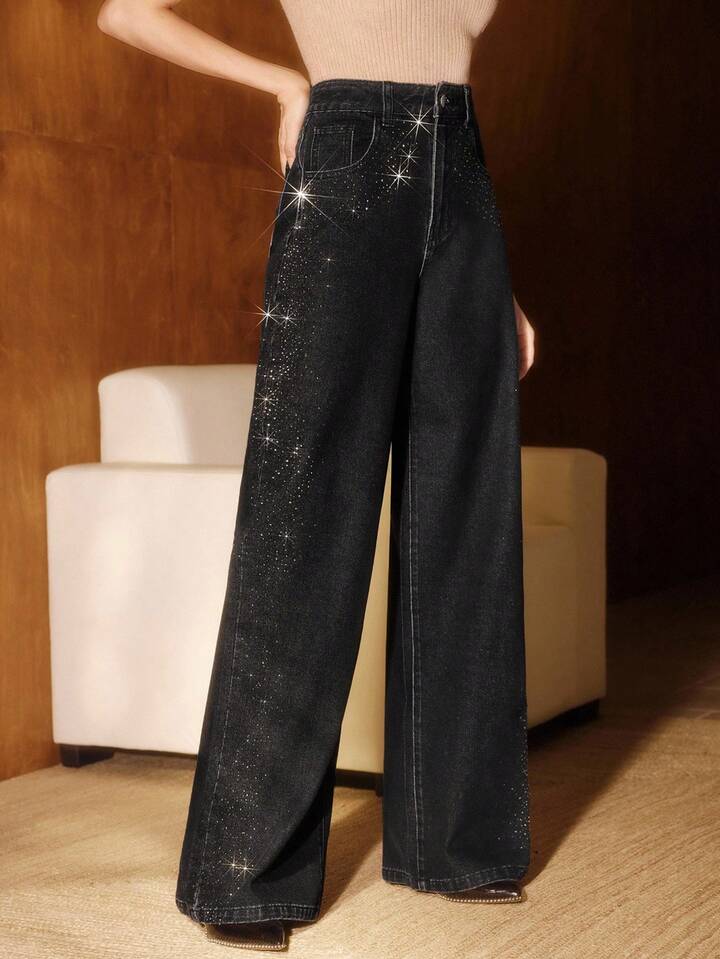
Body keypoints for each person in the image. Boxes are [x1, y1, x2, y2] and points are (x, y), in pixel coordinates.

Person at [97, 0, 537, 951]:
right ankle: (247, 873)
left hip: (460, 177)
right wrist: (281, 83)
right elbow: (125, 13)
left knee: (467, 517)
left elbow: (443, 66)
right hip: (347, 161)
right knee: (304, 516)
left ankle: (458, 843)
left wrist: (489, 272)